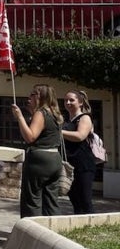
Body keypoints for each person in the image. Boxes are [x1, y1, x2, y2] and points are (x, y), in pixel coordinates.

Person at [12, 84, 63, 218]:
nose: (29, 97)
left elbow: (30, 136)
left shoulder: (41, 113)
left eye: (32, 94)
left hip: (39, 161)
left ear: (40, 97)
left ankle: (32, 230)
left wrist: (20, 117)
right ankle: (53, 232)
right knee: (51, 200)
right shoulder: (54, 113)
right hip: (55, 159)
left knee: (32, 199)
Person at [62, 90, 96, 214]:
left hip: (84, 165)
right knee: (75, 200)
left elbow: (80, 136)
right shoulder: (66, 120)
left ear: (80, 102)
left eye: (71, 100)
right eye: (66, 100)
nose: (68, 103)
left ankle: (91, 228)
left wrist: (59, 132)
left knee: (85, 200)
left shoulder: (85, 118)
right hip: (70, 166)